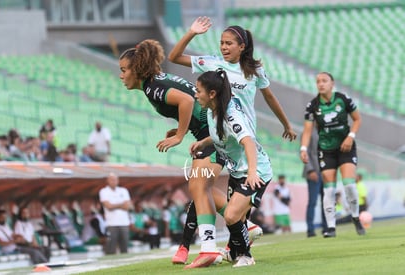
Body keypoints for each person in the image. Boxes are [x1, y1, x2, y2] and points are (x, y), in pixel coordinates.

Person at [168, 16, 297, 261]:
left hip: (242, 139)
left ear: (242, 47)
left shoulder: (254, 71)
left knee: (232, 208)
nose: (224, 47)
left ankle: (233, 249)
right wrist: (191, 33)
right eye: (222, 42)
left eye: (229, 43)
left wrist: (286, 124)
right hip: (223, 138)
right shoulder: (213, 65)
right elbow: (173, 58)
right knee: (204, 186)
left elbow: (269, 98)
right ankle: (221, 246)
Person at [119, 39, 226, 268]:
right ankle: (243, 228)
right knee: (201, 188)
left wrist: (179, 136)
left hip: (212, 133)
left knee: (198, 187)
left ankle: (209, 249)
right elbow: (188, 100)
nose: (121, 75)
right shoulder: (156, 82)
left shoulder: (152, 88)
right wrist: (181, 128)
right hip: (211, 129)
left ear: (136, 70)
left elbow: (187, 100)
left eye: (123, 70)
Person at [191, 69, 273, 267]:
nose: (195, 94)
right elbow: (223, 136)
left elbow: (248, 142)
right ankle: (235, 252)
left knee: (231, 215)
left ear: (212, 94)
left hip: (255, 171)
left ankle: (246, 257)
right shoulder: (212, 111)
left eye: (198, 90)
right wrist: (203, 143)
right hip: (238, 171)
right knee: (239, 218)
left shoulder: (230, 114)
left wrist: (252, 173)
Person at [300, 72, 365, 238]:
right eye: (318, 81)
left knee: (349, 184)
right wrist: (303, 149)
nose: (320, 84)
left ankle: (356, 217)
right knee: (329, 189)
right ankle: (330, 227)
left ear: (332, 83)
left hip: (345, 147)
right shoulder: (313, 105)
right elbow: (307, 131)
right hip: (326, 150)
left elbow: (357, 119)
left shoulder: (343, 99)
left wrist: (350, 136)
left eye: (324, 81)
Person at [302, 129, 328, 237]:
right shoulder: (308, 133)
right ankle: (310, 230)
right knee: (312, 202)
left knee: (326, 202)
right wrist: (310, 170)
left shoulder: (327, 132)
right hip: (314, 173)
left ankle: (327, 227)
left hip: (326, 173)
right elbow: (305, 152)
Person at [99, 172, 131, 254]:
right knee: (111, 248)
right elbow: (108, 206)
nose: (114, 181)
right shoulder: (103, 191)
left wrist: (114, 205)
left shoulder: (123, 190)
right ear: (108, 181)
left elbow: (127, 206)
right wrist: (121, 204)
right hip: (111, 224)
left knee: (124, 248)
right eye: (112, 180)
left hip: (124, 223)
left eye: (115, 180)